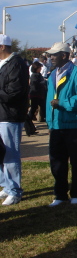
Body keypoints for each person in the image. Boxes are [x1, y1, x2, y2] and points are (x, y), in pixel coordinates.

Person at [45, 42, 77, 206]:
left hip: (74, 125)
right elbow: (48, 101)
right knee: (57, 161)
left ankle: (76, 193)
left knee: (75, 161)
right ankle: (60, 194)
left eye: (54, 55)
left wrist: (63, 102)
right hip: (57, 125)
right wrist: (50, 123)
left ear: (64, 55)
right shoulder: (52, 75)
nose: (51, 58)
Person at [0, 35, 29, 206]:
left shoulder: (16, 64)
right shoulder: (4, 64)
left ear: (3, 46)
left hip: (10, 115)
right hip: (2, 113)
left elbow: (14, 93)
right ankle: (6, 184)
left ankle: (15, 190)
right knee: (1, 153)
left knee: (10, 153)